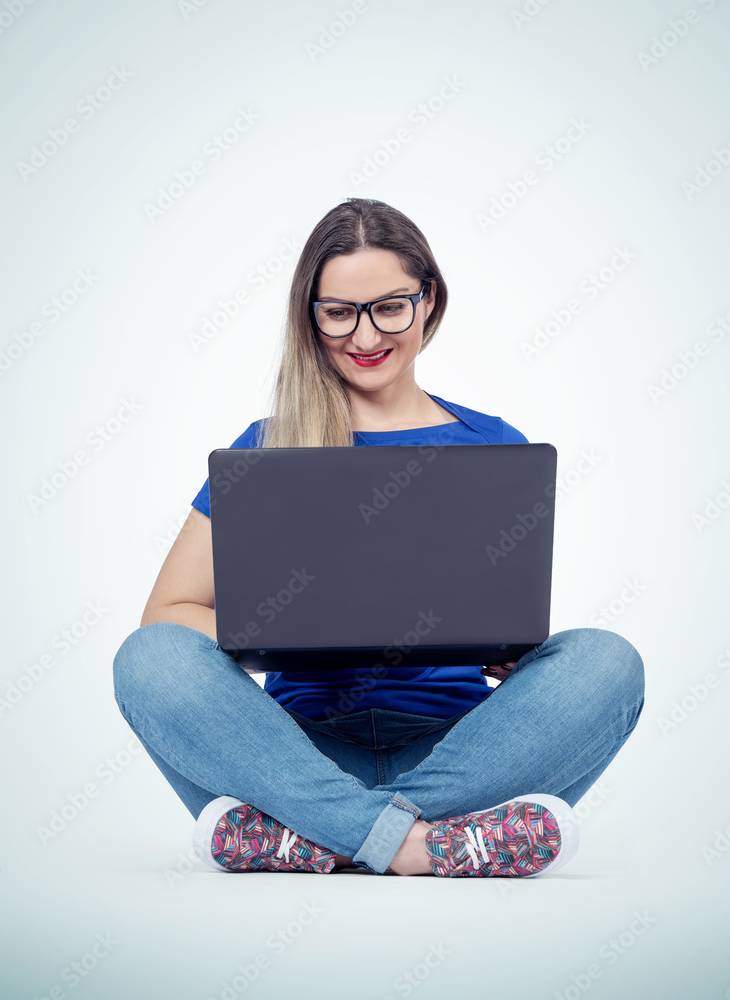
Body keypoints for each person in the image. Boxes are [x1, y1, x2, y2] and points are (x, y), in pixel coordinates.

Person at [112, 197, 644, 878]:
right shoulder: (268, 450)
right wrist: (278, 622)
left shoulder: (492, 446)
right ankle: (425, 847)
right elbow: (167, 619)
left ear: (427, 300)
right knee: (147, 659)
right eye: (338, 312)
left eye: (388, 306)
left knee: (606, 661)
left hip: (462, 753)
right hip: (292, 757)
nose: (364, 336)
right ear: (310, 316)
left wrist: (515, 656)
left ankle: (314, 841)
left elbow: (512, 621)